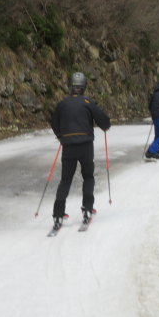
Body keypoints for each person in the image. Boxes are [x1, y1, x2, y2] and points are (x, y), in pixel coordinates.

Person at [50, 72, 110, 230]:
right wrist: (105, 125)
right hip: (85, 146)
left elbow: (54, 122)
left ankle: (58, 214)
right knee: (88, 177)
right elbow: (104, 121)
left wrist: (60, 135)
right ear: (84, 87)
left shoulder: (62, 104)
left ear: (71, 86)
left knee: (66, 180)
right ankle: (87, 210)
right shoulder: (88, 102)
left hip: (68, 146)